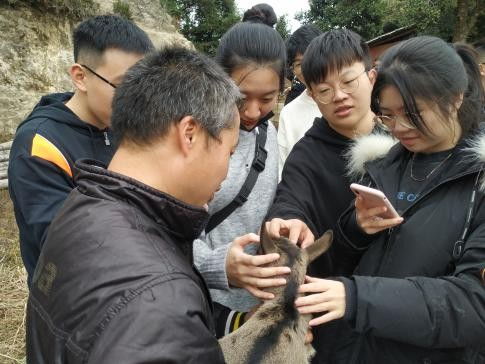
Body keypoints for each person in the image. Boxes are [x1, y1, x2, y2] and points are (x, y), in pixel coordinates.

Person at [27, 47, 241, 363]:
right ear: (190, 134)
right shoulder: (159, 305)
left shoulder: (81, 205)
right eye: (230, 153)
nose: (227, 170)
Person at [295, 36, 485, 363]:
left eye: (412, 113)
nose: (400, 127)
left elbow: (473, 305)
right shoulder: (383, 166)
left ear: (455, 98)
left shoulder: (478, 182)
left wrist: (358, 298)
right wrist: (355, 229)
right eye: (388, 115)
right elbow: (339, 263)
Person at [8, 15, 154, 285]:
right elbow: (65, 245)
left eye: (143, 87)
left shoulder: (125, 127)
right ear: (81, 77)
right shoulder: (40, 144)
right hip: (73, 301)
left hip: (134, 285)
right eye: (124, 87)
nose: (137, 101)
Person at [266, 29, 380, 362]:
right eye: (325, 90)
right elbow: (290, 198)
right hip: (336, 317)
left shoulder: (404, 137)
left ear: (371, 76)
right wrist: (288, 221)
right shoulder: (308, 154)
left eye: (349, 82)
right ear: (313, 96)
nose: (339, 96)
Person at [193, 20, 288, 313]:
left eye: (267, 99)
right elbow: (165, 229)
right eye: (241, 97)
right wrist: (217, 265)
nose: (252, 111)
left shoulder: (267, 133)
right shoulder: (196, 136)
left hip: (254, 305)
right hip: (202, 301)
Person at [278, 24, 322, 175]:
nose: (307, 68)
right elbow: (282, 168)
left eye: (312, 59)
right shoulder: (288, 113)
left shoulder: (346, 102)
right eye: (299, 64)